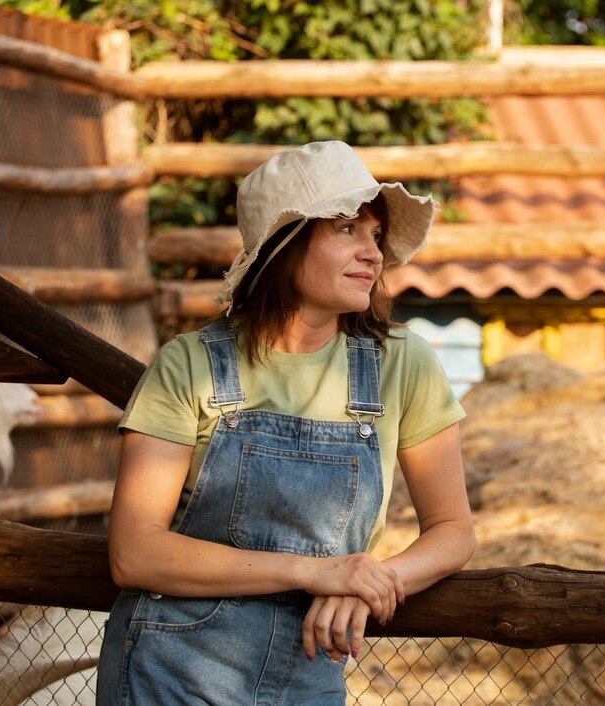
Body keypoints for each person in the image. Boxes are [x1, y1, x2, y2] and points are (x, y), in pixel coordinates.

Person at [96, 141, 476, 705]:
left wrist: (369, 583)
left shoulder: (403, 363)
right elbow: (134, 552)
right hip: (170, 672)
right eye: (346, 228)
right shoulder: (191, 364)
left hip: (310, 673)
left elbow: (453, 531)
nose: (372, 253)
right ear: (283, 246)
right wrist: (316, 572)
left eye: (374, 234)